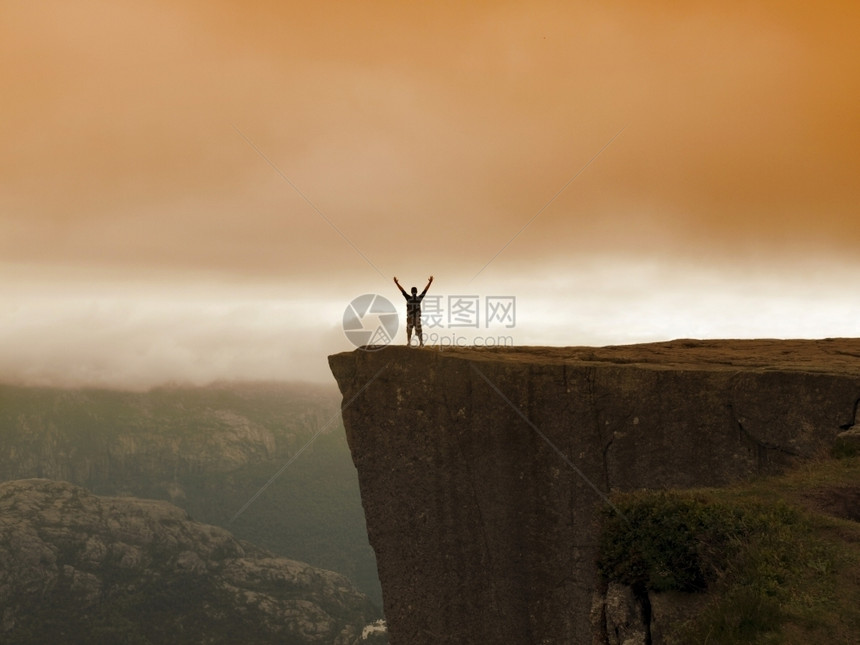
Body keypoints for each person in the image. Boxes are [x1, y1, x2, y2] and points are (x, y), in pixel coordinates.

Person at [394, 275, 433, 347]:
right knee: (419, 331)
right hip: (417, 318)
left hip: (410, 318)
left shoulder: (408, 298)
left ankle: (409, 343)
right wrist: (430, 282)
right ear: (416, 292)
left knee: (409, 331)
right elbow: (425, 290)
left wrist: (396, 283)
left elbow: (402, 290)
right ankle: (421, 343)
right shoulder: (419, 298)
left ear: (411, 292)